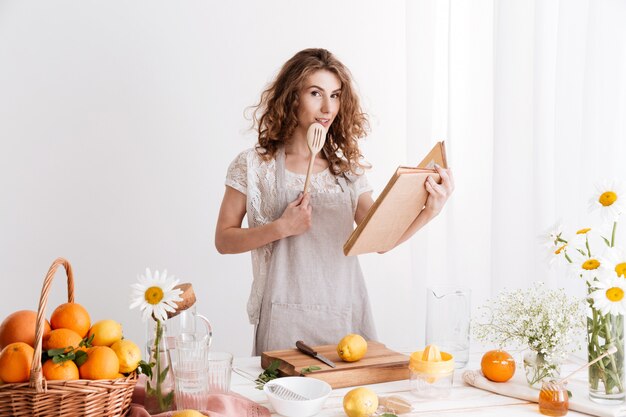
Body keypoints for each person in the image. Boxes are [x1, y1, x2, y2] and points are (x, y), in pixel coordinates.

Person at [215, 48, 454, 355]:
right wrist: (281, 227)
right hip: (282, 320)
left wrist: (429, 212)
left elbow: (380, 239)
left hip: (345, 317)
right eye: (316, 93)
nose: (328, 107)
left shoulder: (347, 172)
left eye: (336, 95)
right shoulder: (252, 165)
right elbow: (224, 239)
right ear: (292, 97)